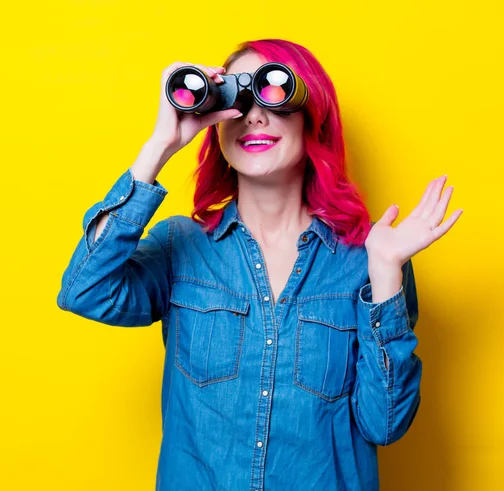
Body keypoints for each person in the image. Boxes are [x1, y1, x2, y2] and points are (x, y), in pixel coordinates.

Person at [56, 38, 463, 491]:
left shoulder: (367, 257)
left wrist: (385, 270)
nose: (253, 115)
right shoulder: (182, 246)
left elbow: (385, 424)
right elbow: (84, 290)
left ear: (313, 116)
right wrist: (160, 145)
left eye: (273, 93)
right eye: (236, 97)